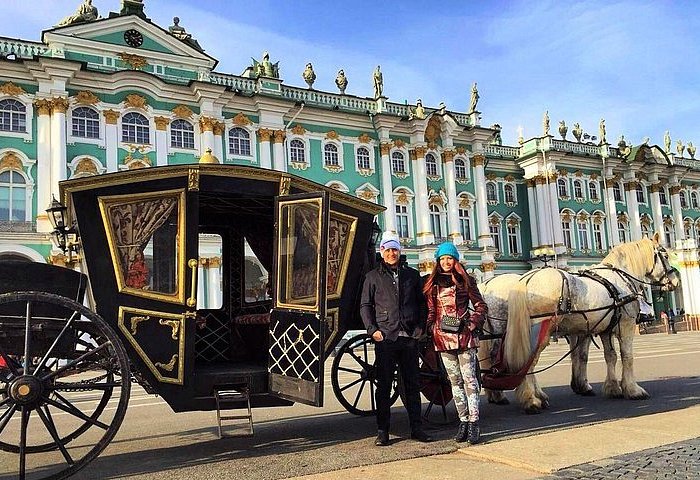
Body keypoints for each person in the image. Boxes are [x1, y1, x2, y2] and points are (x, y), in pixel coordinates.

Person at [360, 235, 430, 446]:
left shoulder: (412, 275)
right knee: (383, 387)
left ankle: (416, 428)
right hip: (386, 339)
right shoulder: (373, 277)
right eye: (388, 250)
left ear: (399, 252)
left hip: (408, 338)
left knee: (412, 384)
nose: (392, 254)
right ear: (382, 251)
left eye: (395, 250)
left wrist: (419, 328)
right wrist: (372, 330)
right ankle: (383, 431)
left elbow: (422, 305)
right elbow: (365, 306)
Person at [423, 242, 487, 444]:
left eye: (449, 258)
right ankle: (463, 421)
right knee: (455, 382)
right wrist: (430, 330)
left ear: (455, 260)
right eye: (442, 259)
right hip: (443, 338)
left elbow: (480, 306)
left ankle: (474, 423)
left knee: (470, 380)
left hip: (465, 337)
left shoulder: (466, 281)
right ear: (438, 261)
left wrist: (471, 324)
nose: (446, 262)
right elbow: (432, 312)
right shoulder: (433, 284)